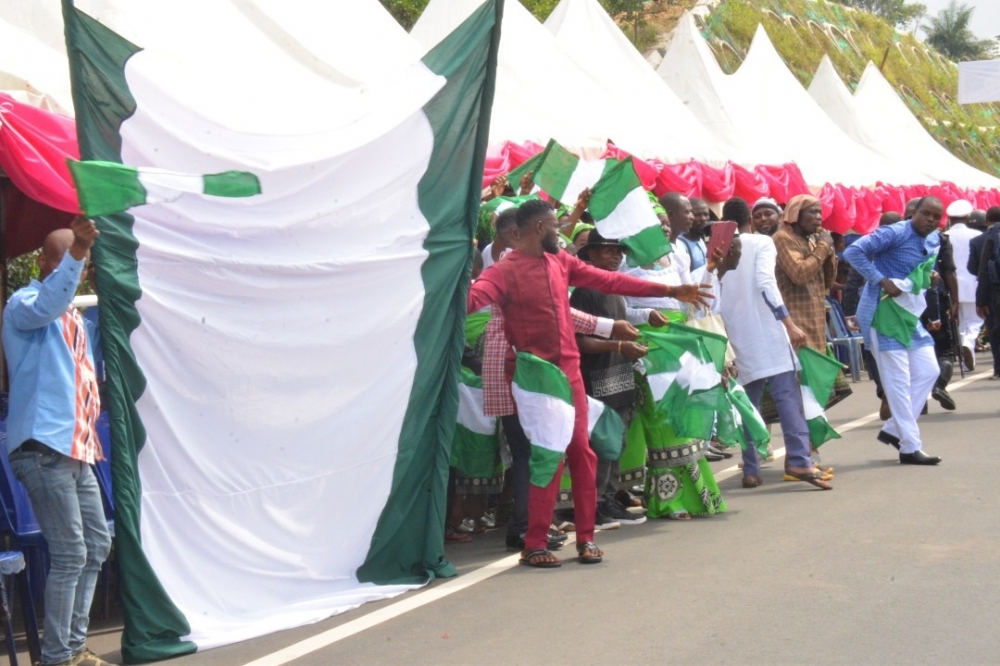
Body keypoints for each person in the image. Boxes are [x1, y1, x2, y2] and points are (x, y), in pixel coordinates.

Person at [468, 199, 711, 567]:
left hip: (570, 375)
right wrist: (445, 279)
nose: (562, 232)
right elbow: (471, 301)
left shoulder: (559, 261)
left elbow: (609, 280)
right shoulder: (504, 271)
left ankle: (585, 539)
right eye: (555, 226)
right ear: (538, 229)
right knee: (547, 458)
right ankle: (533, 544)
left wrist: (673, 292)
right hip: (536, 378)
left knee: (583, 453)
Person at [3, 216, 114, 666]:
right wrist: (78, 252)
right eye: (70, 257)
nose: (79, 267)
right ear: (44, 261)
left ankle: (72, 648)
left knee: (96, 547)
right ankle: (56, 658)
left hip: (77, 450)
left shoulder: (76, 321)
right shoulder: (23, 302)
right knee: (70, 553)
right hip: (44, 450)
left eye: (82, 260)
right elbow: (50, 302)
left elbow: (104, 346)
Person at [716, 198, 830, 489]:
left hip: (736, 336)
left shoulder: (715, 248)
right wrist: (788, 323)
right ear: (750, 221)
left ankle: (751, 469)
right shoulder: (760, 244)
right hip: (767, 332)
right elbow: (767, 282)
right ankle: (799, 462)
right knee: (788, 399)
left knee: (748, 406)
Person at [571, 230, 670, 528]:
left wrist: (646, 318)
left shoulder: (613, 288)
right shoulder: (585, 292)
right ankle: (596, 506)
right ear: (590, 255)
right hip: (596, 379)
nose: (616, 256)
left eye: (619, 252)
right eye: (608, 251)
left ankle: (610, 500)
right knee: (601, 445)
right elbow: (581, 341)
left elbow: (622, 321)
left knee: (617, 443)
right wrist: (618, 346)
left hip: (619, 376)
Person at [843, 197, 944, 465]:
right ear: (913, 213)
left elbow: (925, 272)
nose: (931, 220)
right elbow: (853, 252)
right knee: (898, 382)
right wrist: (881, 280)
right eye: (926, 214)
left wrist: (932, 278)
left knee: (929, 370)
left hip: (910, 316)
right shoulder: (895, 231)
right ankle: (910, 446)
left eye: (937, 216)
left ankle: (892, 430)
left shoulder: (934, 239)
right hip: (882, 314)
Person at [772, 194, 838, 355]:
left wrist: (829, 251)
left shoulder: (810, 241)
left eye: (820, 213)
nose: (818, 217)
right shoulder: (783, 238)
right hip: (796, 322)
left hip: (815, 321)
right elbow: (799, 275)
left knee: (816, 375)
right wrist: (822, 247)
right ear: (796, 214)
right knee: (801, 376)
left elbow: (828, 282)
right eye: (812, 212)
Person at [945, 199, 983, 371]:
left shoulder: (943, 236)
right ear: (968, 216)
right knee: (976, 319)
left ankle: (967, 355)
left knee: (958, 322)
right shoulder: (976, 235)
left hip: (950, 284)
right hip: (972, 283)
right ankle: (969, 342)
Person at [975, 207, 1000, 378]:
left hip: (997, 291)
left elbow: (984, 268)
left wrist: (981, 300)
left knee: (997, 329)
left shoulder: (995, 233)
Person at [675, 197, 710, 271]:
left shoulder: (702, 240)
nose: (703, 218)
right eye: (697, 215)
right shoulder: (680, 245)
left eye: (706, 214)